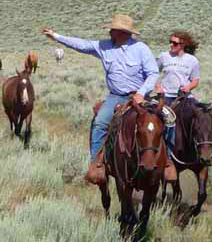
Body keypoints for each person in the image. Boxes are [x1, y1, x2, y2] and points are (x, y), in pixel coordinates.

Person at [42, 14, 160, 185]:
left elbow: (153, 73)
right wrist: (57, 36)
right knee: (100, 123)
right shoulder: (103, 46)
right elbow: (81, 44)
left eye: (113, 29)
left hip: (139, 96)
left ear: (123, 32)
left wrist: (141, 93)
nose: (110, 31)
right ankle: (97, 164)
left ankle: (168, 161)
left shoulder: (141, 49)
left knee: (166, 119)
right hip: (115, 96)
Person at [155, 31, 200, 148]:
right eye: (170, 42)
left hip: (185, 97)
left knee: (201, 117)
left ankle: (203, 149)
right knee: (159, 120)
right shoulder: (163, 56)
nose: (171, 45)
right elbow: (152, 73)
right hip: (166, 97)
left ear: (183, 44)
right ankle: (163, 149)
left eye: (174, 43)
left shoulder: (192, 60)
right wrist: (158, 86)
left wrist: (188, 87)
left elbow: (195, 80)